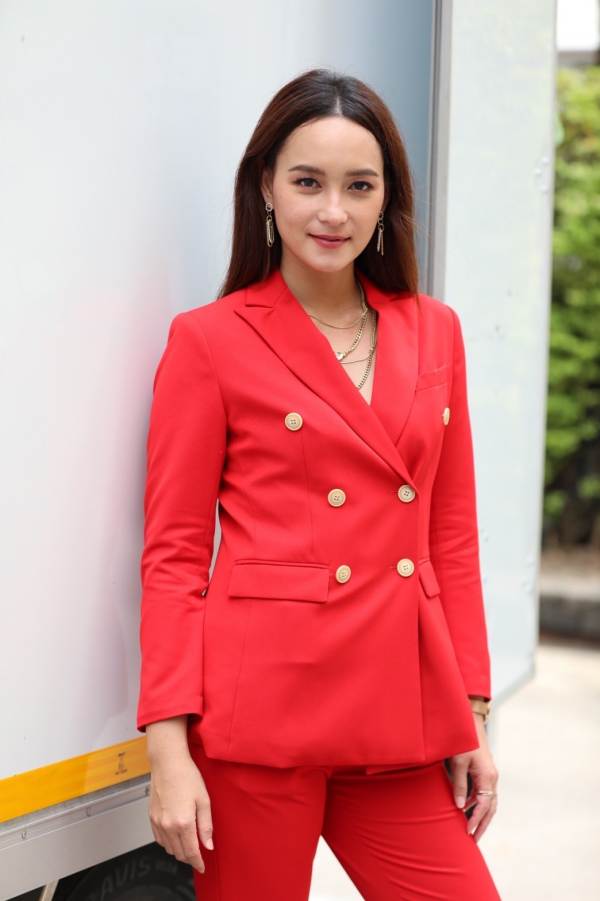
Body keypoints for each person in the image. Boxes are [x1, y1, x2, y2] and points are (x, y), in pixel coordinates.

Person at [135, 67, 501, 900]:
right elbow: (175, 554)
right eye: (308, 182)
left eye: (358, 186)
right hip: (260, 721)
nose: (333, 211)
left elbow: (451, 535)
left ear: (386, 199)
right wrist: (169, 749)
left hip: (399, 713)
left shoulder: (434, 330)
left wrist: (471, 710)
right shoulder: (210, 340)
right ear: (266, 187)